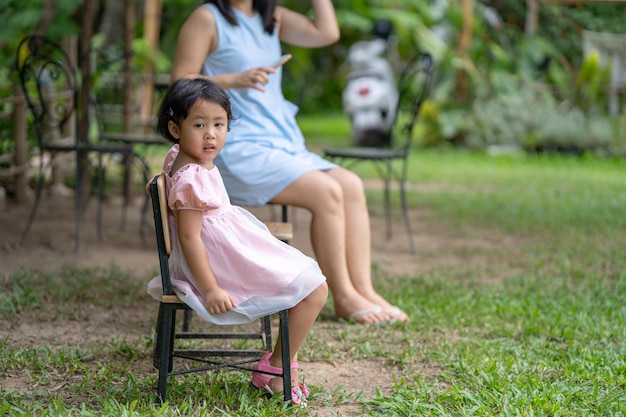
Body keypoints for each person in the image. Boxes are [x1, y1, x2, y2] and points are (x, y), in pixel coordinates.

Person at [167, 0, 409, 324]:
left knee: (351, 185)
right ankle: (345, 297)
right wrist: (233, 79)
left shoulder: (272, 16)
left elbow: (326, 33)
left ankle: (364, 289)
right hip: (236, 146)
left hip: (282, 140)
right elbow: (179, 83)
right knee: (327, 192)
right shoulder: (207, 18)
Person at [146, 77, 328, 405]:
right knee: (315, 287)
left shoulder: (179, 158)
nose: (211, 134)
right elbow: (189, 237)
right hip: (220, 265)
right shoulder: (192, 179)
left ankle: (277, 363)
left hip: (226, 250)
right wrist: (212, 288)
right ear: (176, 129)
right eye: (199, 124)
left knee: (307, 277)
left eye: (220, 124)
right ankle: (277, 367)